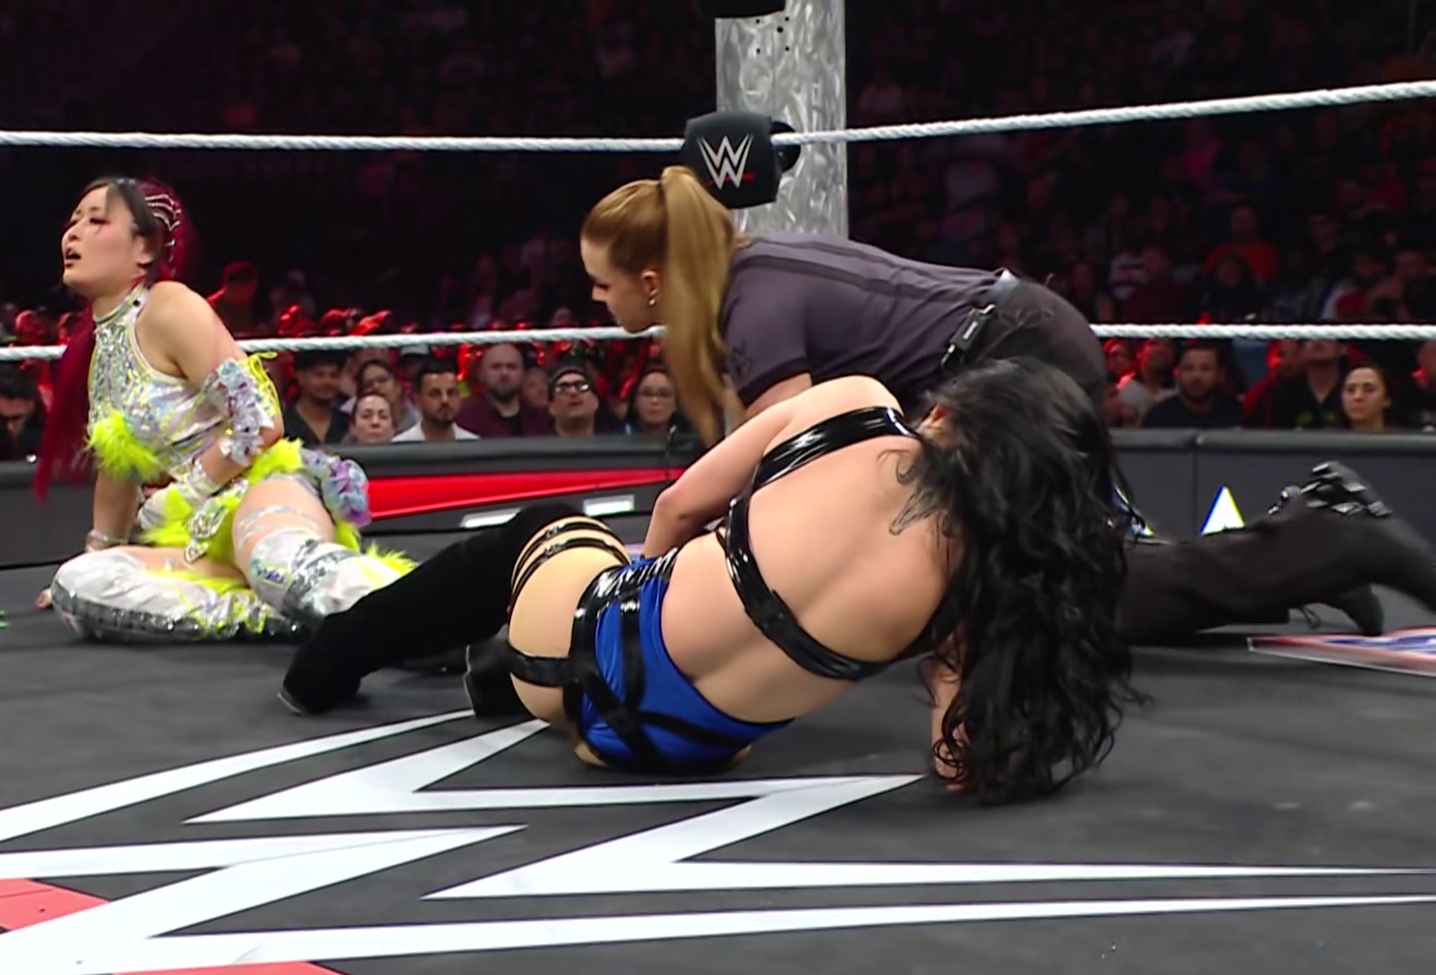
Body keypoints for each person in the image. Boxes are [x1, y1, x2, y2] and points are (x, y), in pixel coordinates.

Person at [574, 167, 1436, 643]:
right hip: (1016, 348)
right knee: (1074, 580)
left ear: (649, 281)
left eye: (602, 286)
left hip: (1009, 367)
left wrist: (657, 592)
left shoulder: (751, 308)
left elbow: (792, 472)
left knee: (1064, 600)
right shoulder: (758, 273)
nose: (596, 302)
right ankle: (1310, 552)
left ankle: (1330, 541)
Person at [282, 359, 1139, 803]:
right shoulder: (966, 596)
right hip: (684, 750)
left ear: (950, 412)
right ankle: (496, 674)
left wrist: (649, 591)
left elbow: (681, 505)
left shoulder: (850, 407)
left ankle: (330, 660)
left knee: (549, 529)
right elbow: (958, 760)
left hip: (573, 662)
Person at [32, 176, 411, 643]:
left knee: (278, 564)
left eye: (96, 221)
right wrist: (99, 552)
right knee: (80, 584)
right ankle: (277, 612)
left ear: (145, 249)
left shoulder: (169, 306)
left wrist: (184, 494)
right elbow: (119, 466)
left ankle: (431, 617)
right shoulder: (103, 351)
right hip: (196, 540)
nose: (73, 233)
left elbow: (260, 420)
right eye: (73, 222)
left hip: (261, 492)